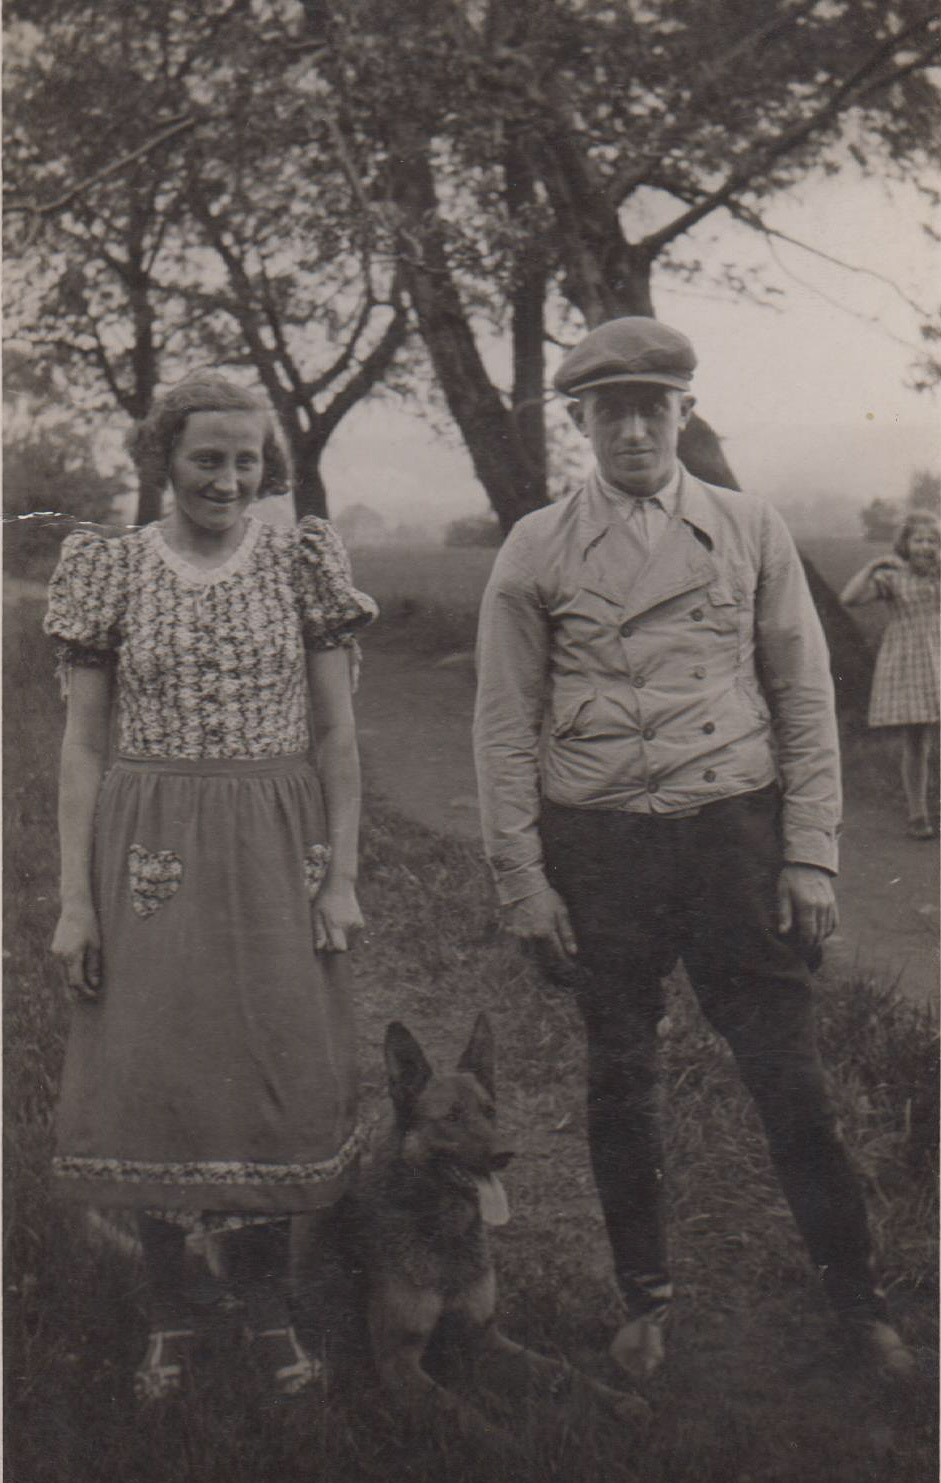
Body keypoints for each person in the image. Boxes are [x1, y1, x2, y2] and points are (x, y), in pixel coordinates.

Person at [472, 317, 915, 1384]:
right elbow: (502, 721)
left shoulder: (747, 527)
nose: (632, 430)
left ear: (683, 413)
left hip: (730, 837)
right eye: (609, 412)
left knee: (788, 1075)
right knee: (620, 1075)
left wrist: (808, 853)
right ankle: (645, 1302)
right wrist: (522, 878)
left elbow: (802, 696)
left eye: (651, 409)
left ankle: (855, 1302)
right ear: (580, 422)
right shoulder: (535, 545)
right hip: (599, 845)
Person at [44, 372, 377, 1402]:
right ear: (164, 460)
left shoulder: (299, 561)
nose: (228, 479)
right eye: (205, 459)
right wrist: (76, 900)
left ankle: (269, 1308)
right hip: (148, 845)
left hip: (277, 842)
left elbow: (337, 734)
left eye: (245, 460)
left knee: (270, 1064)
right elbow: (83, 745)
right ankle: (172, 1313)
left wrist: (340, 876)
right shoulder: (111, 567)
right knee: (157, 1069)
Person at [840, 511, 940, 840]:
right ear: (906, 545)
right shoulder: (893, 578)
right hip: (910, 661)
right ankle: (918, 814)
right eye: (919, 540)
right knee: (917, 740)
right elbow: (849, 598)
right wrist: (874, 566)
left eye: (933, 541)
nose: (926, 547)